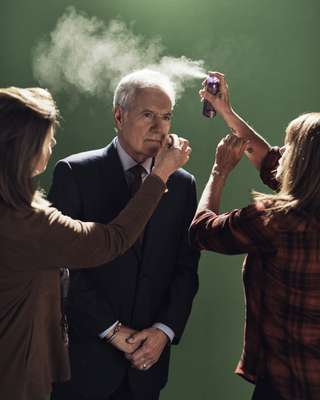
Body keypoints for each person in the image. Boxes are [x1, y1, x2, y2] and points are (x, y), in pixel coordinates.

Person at [0, 86, 190, 400]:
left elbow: (183, 266)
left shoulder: (23, 214)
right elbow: (111, 241)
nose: (53, 143)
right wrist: (162, 175)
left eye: (166, 116)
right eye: (48, 137)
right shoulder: (30, 220)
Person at [50, 69, 200, 400]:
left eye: (166, 117)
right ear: (119, 116)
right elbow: (62, 270)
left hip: (147, 367)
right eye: (148, 115)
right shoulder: (75, 173)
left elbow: (185, 268)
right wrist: (113, 331)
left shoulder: (182, 183)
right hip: (85, 362)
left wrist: (163, 332)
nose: (160, 128)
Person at [190, 72, 320, 400]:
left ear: (303, 162)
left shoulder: (276, 221)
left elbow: (203, 231)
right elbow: (269, 161)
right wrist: (226, 111)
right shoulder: (309, 200)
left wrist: (219, 171)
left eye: (290, 147)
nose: (282, 152)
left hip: (286, 386)